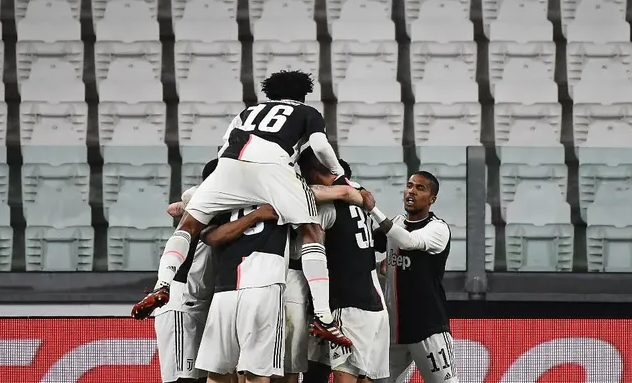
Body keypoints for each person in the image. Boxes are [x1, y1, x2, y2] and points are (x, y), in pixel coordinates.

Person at [133, 70, 352, 348]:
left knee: (188, 225)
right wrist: (338, 173)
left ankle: (162, 284)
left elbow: (223, 146)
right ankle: (324, 317)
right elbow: (319, 145)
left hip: (229, 166)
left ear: (270, 93)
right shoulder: (306, 111)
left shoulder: (247, 112)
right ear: (303, 94)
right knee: (311, 232)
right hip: (273, 167)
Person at [363, 172, 458, 383]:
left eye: (420, 188)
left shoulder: (438, 229)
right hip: (394, 331)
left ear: (432, 199)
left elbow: (408, 242)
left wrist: (373, 210)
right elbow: (367, 246)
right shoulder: (397, 223)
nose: (411, 191)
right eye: (409, 186)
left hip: (428, 330)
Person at [301, 157, 389, 383]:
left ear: (313, 172)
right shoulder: (361, 201)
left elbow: (311, 247)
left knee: (345, 376)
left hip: (347, 306)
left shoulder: (326, 208)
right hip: (375, 305)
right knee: (361, 377)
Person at [194, 202, 285, 383]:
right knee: (256, 371)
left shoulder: (224, 198)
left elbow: (209, 235)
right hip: (263, 283)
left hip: (225, 288)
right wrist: (256, 215)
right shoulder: (279, 192)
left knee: (217, 371)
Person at [154, 159, 219, 383]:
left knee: (198, 378)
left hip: (197, 304)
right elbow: (174, 207)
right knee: (183, 379)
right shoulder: (206, 200)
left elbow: (173, 208)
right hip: (180, 304)